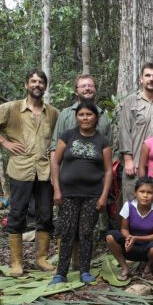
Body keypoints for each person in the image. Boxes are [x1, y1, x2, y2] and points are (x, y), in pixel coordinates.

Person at [0, 69, 58, 276]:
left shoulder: (53, 113)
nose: (37, 85)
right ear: (26, 85)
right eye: (33, 81)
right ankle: (16, 263)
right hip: (21, 169)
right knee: (17, 214)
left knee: (46, 215)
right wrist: (4, 141)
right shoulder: (12, 108)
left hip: (45, 171)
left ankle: (41, 259)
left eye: (41, 82)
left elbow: (59, 139)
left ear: (45, 87)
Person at [49, 102, 113, 284]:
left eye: (89, 115)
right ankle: (60, 273)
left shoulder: (102, 140)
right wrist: (56, 189)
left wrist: (103, 196)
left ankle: (85, 270)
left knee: (86, 232)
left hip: (92, 195)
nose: (85, 118)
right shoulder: (67, 136)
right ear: (76, 117)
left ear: (96, 118)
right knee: (67, 232)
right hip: (68, 194)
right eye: (81, 115)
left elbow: (108, 171)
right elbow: (55, 162)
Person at [118, 63, 153, 201]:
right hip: (135, 164)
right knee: (132, 204)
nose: (151, 79)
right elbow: (124, 130)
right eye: (147, 75)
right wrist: (128, 159)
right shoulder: (130, 102)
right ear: (141, 79)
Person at [105, 177, 153, 279]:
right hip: (129, 246)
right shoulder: (128, 206)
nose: (145, 195)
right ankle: (125, 268)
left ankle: (149, 266)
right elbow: (124, 229)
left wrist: (135, 238)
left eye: (149, 192)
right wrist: (129, 238)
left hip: (148, 247)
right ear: (135, 193)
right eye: (142, 191)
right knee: (110, 236)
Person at [52, 74, 113, 152]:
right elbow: (54, 146)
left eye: (90, 86)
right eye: (83, 86)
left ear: (95, 89)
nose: (87, 88)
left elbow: (110, 146)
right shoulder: (65, 114)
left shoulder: (103, 116)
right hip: (69, 163)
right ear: (76, 92)